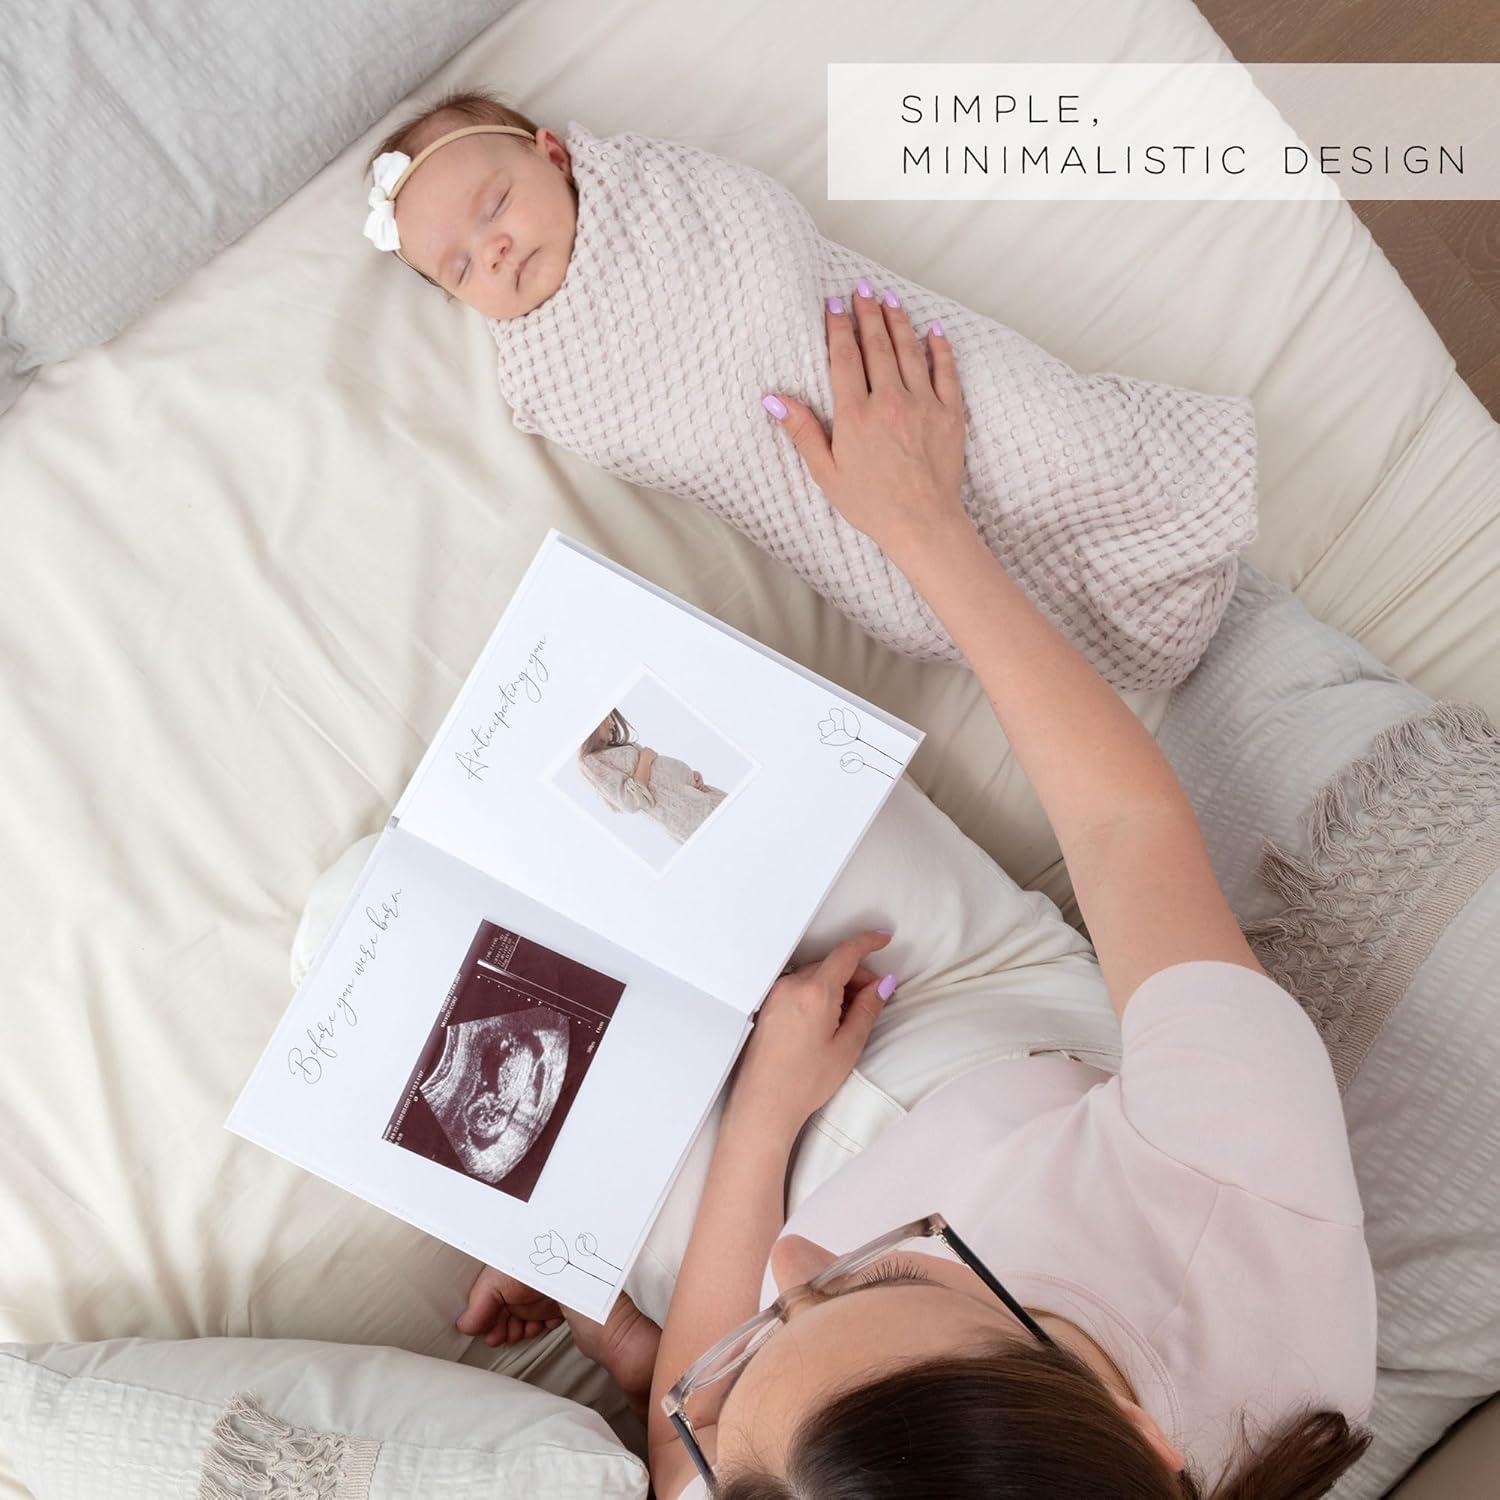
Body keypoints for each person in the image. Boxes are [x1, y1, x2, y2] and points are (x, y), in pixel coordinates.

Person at [458, 281, 1378, 1498]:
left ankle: (667, 1346)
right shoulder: (1249, 1198)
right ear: (1136, 1434)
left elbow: (691, 1450)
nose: (800, 1261)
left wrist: (763, 1127)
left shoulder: (788, 1360)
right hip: (968, 1004)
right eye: (881, 1277)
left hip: (738, 1187)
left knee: (354, 923)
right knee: (606, 719)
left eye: (774, 1337)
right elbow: (1121, 829)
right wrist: (923, 524)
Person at [359, 89, 1260, 697]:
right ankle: (1114, 641)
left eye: (494, 206)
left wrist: (771, 333)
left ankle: (1172, 524)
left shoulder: (644, 190)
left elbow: (761, 225)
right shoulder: (541, 374)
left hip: (866, 352)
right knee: (921, 603)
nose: (493, 251)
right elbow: (656, 442)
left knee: (1049, 437)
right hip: (805, 489)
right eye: (461, 267)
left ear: (554, 156)